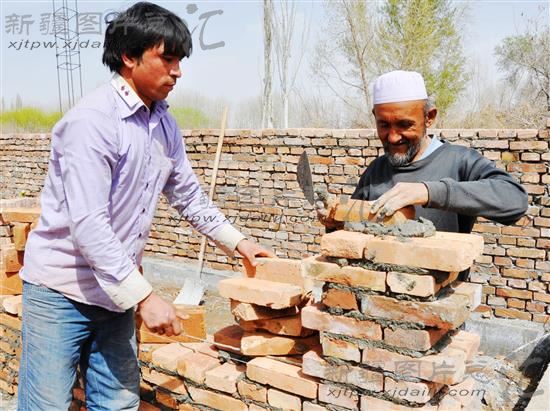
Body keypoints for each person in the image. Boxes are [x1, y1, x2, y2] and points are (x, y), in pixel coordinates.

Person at [18, 3, 273, 410]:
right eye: (167, 59)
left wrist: (239, 243)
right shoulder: (92, 122)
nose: (178, 71)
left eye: (180, 61)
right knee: (46, 405)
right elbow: (89, 224)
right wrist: (145, 298)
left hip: (115, 292)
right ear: (129, 57)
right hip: (61, 293)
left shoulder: (163, 124)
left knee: (118, 403)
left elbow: (188, 195)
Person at [318, 70, 528, 235]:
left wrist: (428, 192)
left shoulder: (459, 161)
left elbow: (515, 201)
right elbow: (354, 231)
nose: (393, 137)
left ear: (429, 117)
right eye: (384, 125)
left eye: (404, 125)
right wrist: (335, 223)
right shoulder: (376, 170)